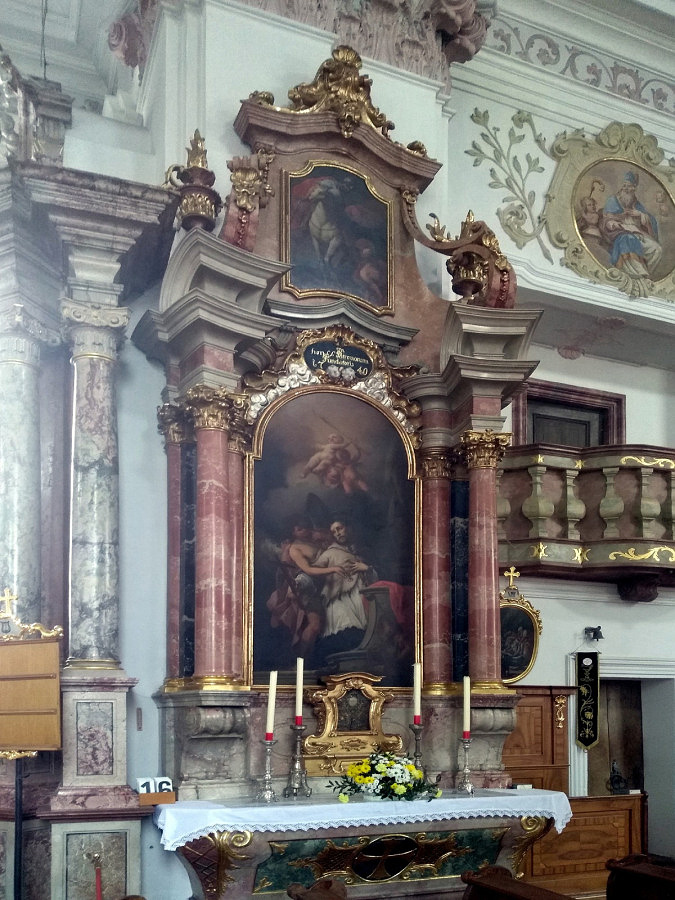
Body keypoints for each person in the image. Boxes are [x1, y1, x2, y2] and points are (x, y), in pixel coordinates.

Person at [266, 519, 345, 662]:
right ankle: (302, 661)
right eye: (299, 529)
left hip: (327, 586)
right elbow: (307, 570)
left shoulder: (317, 539)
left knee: (325, 626)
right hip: (308, 585)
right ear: (293, 532)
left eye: (305, 528)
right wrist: (333, 569)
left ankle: (312, 659)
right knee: (314, 626)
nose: (305, 531)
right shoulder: (294, 548)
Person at [312, 520, 376, 664]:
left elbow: (375, 580)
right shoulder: (330, 553)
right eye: (334, 531)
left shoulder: (359, 551)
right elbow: (313, 570)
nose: (338, 533)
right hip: (338, 598)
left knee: (361, 633)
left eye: (339, 528)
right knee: (345, 628)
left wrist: (366, 568)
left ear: (348, 527)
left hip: (359, 597)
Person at [602, 170, 661, 278]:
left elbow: (650, 220)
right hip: (620, 232)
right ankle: (634, 272)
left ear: (634, 188)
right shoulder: (613, 200)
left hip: (638, 233)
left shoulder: (636, 203)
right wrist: (616, 220)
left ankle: (646, 274)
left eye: (629, 186)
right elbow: (605, 218)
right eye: (624, 186)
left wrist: (640, 214)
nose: (625, 189)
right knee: (629, 239)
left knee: (657, 249)